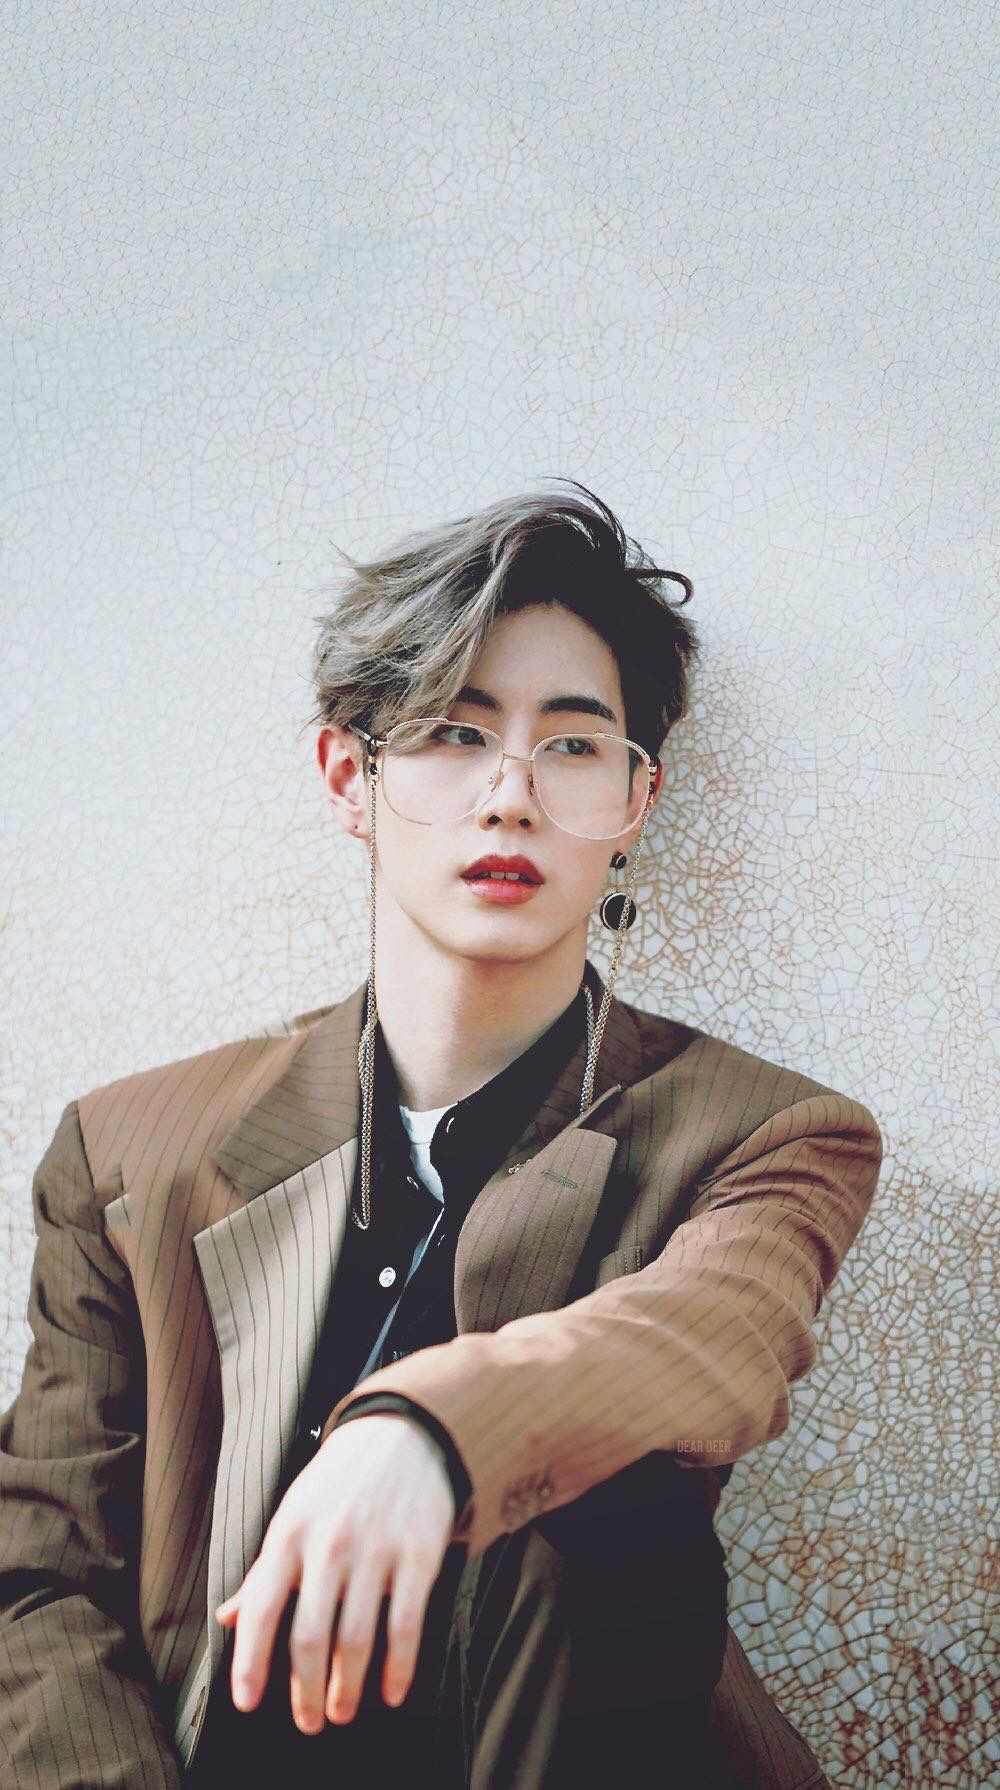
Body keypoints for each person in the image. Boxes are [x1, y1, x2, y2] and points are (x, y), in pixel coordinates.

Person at [0, 481, 883, 1788]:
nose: (511, 795)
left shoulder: (768, 1129)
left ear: (635, 800)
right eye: (456, 732)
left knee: (600, 1497)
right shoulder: (130, 1152)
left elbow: (718, 1336)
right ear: (349, 777)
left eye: (573, 744)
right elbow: (39, 1576)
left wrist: (428, 1433)